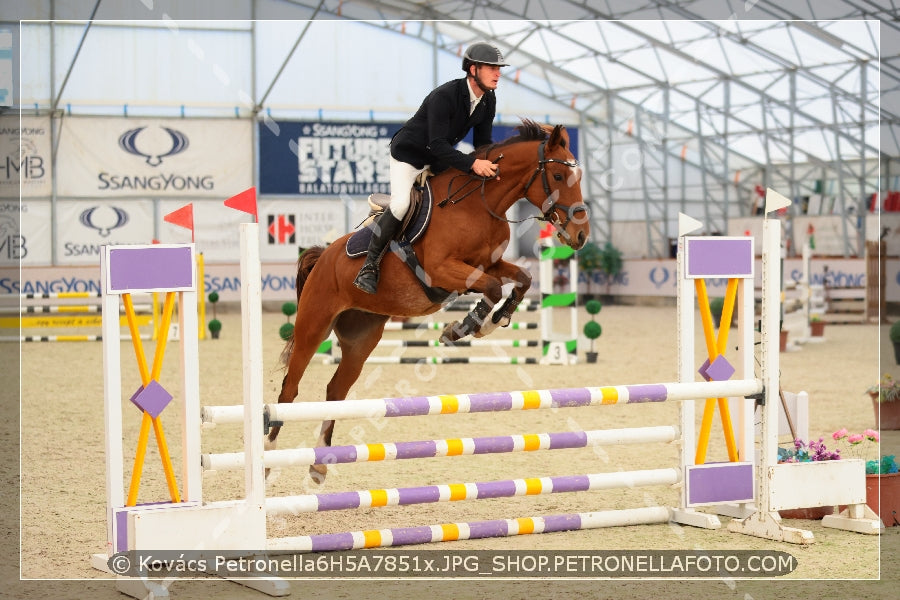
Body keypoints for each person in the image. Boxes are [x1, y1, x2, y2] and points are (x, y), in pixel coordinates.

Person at [353, 41, 508, 294]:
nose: (498, 73)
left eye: (499, 68)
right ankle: (369, 267)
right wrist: (472, 163)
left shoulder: (488, 100)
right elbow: (437, 143)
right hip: (409, 155)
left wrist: (492, 165)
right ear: (473, 70)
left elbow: (482, 144)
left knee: (458, 195)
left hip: (438, 159)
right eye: (491, 67)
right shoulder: (444, 96)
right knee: (402, 203)